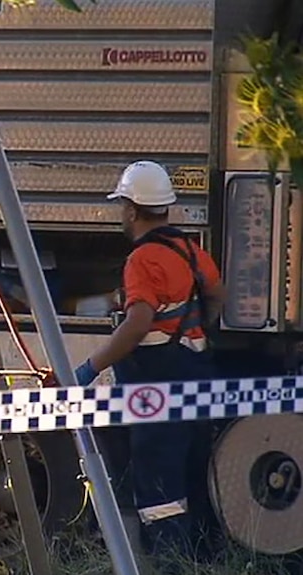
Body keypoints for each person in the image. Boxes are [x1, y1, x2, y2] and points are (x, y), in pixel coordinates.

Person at [73, 161, 224, 566]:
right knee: (194, 481)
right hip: (197, 383)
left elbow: (138, 322)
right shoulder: (192, 252)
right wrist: (192, 330)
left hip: (156, 391)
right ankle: (202, 562)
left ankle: (171, 564)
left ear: (132, 210)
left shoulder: (142, 261)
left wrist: (90, 368)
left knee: (159, 494)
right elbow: (217, 295)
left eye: (122, 205)